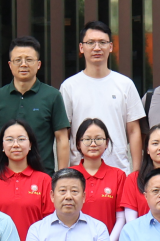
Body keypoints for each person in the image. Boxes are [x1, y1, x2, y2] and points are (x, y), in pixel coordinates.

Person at [60, 20, 145, 172]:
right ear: (81, 47)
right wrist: (64, 173)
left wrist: (136, 173)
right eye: (90, 42)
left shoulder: (125, 84)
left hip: (119, 170)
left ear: (110, 47)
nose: (97, 48)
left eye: (102, 42)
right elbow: (64, 135)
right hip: (80, 173)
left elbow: (133, 131)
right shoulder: (69, 86)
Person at [0, 35, 71, 173]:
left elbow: (62, 139)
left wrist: (62, 176)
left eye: (29, 60)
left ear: (38, 64)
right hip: (6, 175)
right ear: (10, 65)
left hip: (43, 175)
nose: (23, 64)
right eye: (18, 60)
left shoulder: (52, 96)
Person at [0, 120, 53, 241]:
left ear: (30, 144)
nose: (15, 145)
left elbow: (50, 223)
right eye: (9, 140)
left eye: (21, 139)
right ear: (2, 146)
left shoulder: (44, 181)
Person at [72, 118, 128, 241]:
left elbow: (121, 218)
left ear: (107, 143)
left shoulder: (118, 176)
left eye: (98, 139)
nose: (93, 144)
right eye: (87, 139)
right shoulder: (69, 176)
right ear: (78, 144)